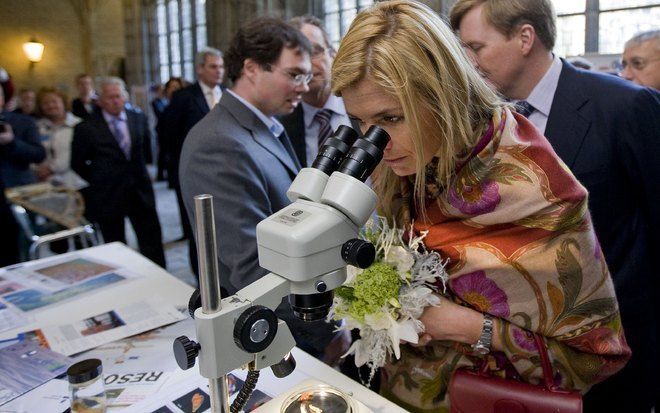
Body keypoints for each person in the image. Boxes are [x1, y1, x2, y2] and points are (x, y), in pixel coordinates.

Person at [332, 1, 631, 411]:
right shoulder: (405, 167)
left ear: (443, 96)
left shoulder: (534, 189)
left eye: (392, 118)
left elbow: (591, 359)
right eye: (360, 122)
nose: (375, 143)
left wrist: (471, 326)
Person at [449, 1, 660, 411]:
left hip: (614, 348)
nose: (468, 63)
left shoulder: (623, 107)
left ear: (525, 38)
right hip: (517, 352)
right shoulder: (477, 121)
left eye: (476, 47)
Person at [180, 16, 346, 364]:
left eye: (306, 75)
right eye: (294, 74)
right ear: (252, 68)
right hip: (271, 330)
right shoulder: (219, 143)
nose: (304, 85)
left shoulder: (262, 126)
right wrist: (326, 332)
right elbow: (252, 264)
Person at [71, 77, 166, 268]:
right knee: (115, 243)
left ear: (125, 97)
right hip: (108, 193)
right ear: (100, 100)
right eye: (110, 97)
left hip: (140, 190)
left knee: (151, 239)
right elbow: (77, 163)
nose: (115, 101)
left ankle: (159, 275)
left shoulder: (138, 118)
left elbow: (145, 151)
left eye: (119, 96)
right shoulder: (86, 127)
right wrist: (100, 177)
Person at [159, 48, 224, 274]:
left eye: (221, 66)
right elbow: (167, 133)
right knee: (198, 232)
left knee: (222, 230)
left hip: (223, 175)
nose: (219, 71)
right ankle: (202, 283)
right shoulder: (184, 97)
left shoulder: (227, 94)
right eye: (213, 66)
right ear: (200, 69)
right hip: (194, 174)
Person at [281, 15, 357, 167]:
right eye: (298, 55)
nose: (306, 64)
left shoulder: (363, 103)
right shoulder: (280, 126)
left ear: (333, 55)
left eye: (315, 51)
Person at [34, 87, 86, 189]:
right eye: (45, 103)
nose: (50, 106)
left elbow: (78, 153)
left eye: (54, 102)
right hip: (44, 183)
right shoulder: (37, 127)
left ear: (63, 103)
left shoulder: (79, 125)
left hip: (74, 183)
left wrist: (52, 168)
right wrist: (37, 170)